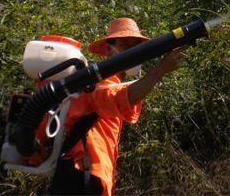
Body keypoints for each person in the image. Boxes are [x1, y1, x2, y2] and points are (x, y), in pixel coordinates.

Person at [48, 18, 183, 196]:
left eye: (136, 46)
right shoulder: (99, 81)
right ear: (108, 49)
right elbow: (123, 99)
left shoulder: (110, 82)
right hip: (82, 175)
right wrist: (160, 70)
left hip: (88, 176)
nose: (133, 51)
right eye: (125, 44)